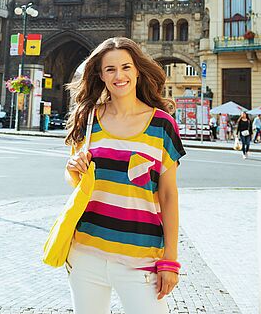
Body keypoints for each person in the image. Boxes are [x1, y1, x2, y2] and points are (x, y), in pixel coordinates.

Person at [64, 37, 186, 314]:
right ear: (100, 74)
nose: (119, 76)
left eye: (126, 67)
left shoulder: (162, 125)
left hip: (140, 257)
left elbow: (168, 195)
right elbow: (76, 179)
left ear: (137, 70)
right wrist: (73, 168)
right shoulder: (89, 118)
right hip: (86, 252)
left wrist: (170, 260)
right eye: (110, 69)